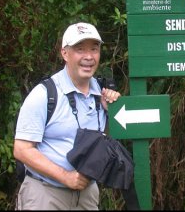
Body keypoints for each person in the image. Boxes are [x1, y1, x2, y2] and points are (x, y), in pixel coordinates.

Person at [14, 22, 121, 210]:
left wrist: (111, 110)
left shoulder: (101, 94)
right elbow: (22, 150)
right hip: (45, 194)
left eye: (94, 49)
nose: (88, 57)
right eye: (80, 49)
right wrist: (66, 177)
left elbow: (105, 143)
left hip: (87, 194)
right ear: (65, 53)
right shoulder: (45, 94)